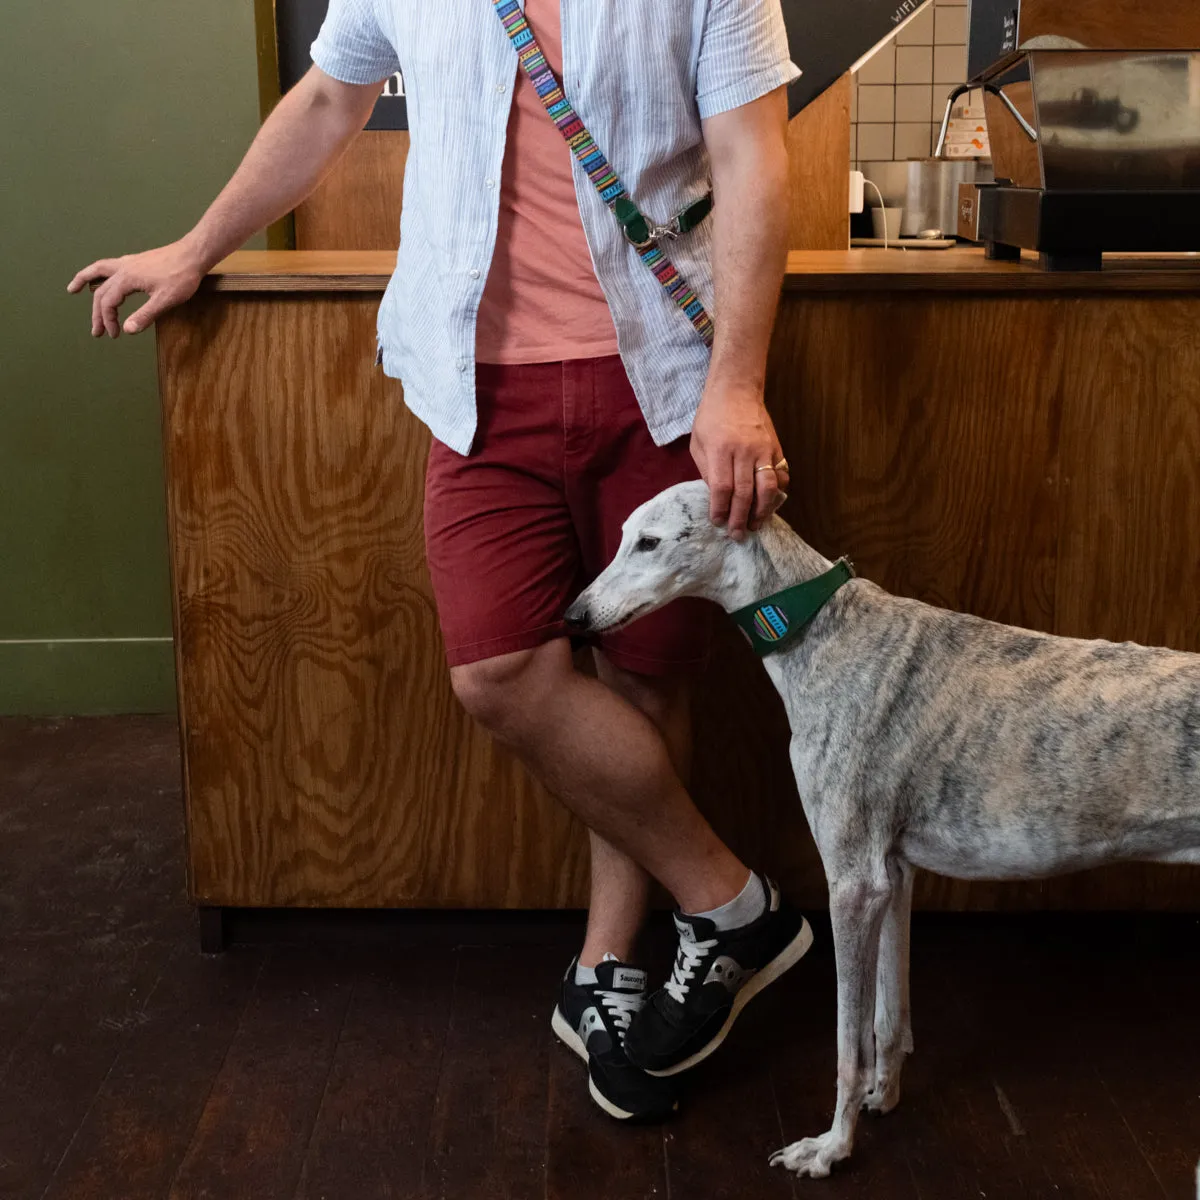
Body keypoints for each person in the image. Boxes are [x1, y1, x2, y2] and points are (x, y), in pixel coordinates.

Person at [69, 0, 811, 1123]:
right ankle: (733, 906)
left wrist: (739, 383)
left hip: (660, 370)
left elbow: (752, 154)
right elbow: (328, 99)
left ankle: (605, 971)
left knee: (647, 675)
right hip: (473, 382)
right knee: (500, 672)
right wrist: (195, 245)